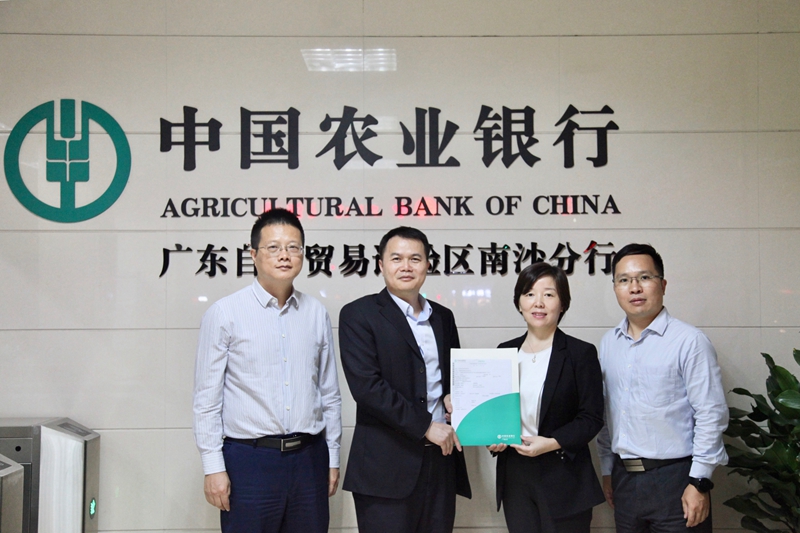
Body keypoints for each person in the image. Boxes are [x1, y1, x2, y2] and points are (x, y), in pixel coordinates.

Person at [192, 208, 342, 533]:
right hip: (249, 461)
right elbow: (207, 400)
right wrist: (213, 466)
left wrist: (332, 457)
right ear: (253, 255)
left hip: (309, 458)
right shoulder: (225, 313)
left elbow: (329, 394)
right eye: (273, 247)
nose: (284, 255)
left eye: (293, 247)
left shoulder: (316, 313)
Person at [338, 226, 471, 533]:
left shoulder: (443, 316)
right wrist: (425, 426)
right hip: (384, 467)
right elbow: (367, 388)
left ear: (428, 264)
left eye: (415, 258)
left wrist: (454, 396)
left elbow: (453, 376)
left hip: (441, 460)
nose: (406, 266)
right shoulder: (358, 314)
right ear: (381, 264)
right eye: (396, 258)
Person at [596, 243, 728, 533]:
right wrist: (607, 470)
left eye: (644, 277)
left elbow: (711, 413)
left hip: (676, 480)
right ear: (615, 288)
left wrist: (699, 481)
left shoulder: (689, 341)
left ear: (663, 284)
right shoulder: (608, 344)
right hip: (624, 479)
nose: (634, 287)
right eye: (624, 280)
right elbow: (607, 414)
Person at [488, 262, 605, 533]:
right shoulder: (503, 352)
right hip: (515, 475)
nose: (538, 302)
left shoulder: (580, 353)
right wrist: (492, 437)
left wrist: (552, 443)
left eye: (549, 294)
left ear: (562, 304)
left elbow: (591, 418)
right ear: (519, 303)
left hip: (563, 474)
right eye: (529, 294)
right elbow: (494, 411)